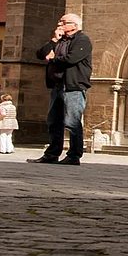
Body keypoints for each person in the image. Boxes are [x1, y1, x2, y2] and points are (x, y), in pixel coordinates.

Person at [33, 12, 92, 165]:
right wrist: (53, 41)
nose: (60, 25)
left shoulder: (82, 40)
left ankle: (74, 156)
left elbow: (71, 59)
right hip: (57, 85)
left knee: (72, 122)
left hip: (73, 86)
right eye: (60, 22)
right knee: (53, 121)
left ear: (75, 25)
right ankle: (52, 154)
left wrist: (53, 59)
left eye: (64, 22)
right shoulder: (60, 40)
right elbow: (40, 54)